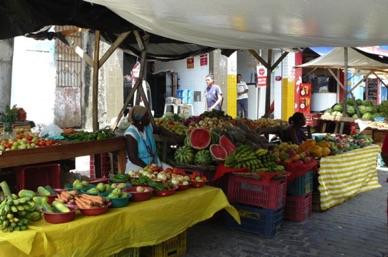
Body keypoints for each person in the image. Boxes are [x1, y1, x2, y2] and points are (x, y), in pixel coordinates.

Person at [124, 106, 174, 172]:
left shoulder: (147, 127)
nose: (150, 118)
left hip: (154, 163)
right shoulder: (131, 133)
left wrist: (173, 136)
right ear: (140, 119)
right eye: (147, 116)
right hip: (138, 166)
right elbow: (133, 158)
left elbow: (159, 129)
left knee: (172, 171)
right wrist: (148, 169)